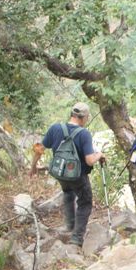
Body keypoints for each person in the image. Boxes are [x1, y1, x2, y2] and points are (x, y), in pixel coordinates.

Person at [30, 102, 106, 247]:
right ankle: (76, 238)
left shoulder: (55, 128)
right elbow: (90, 160)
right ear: (84, 117)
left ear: (72, 114)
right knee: (85, 202)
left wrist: (33, 167)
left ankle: (69, 225)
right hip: (77, 175)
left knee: (68, 192)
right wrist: (100, 154)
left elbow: (39, 149)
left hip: (60, 173)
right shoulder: (84, 134)